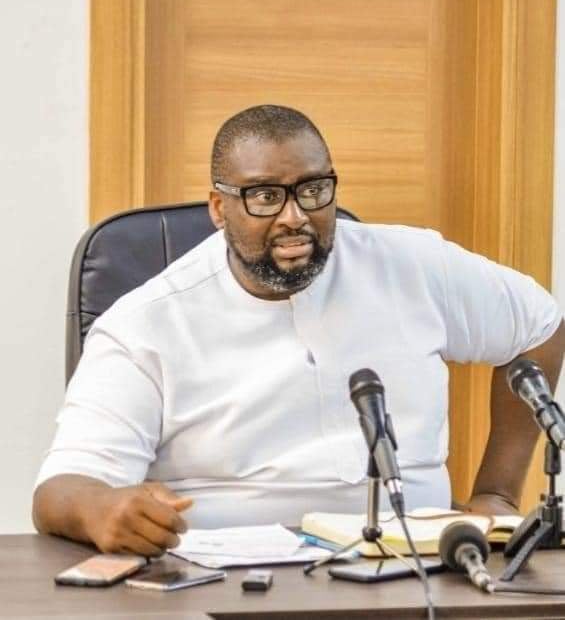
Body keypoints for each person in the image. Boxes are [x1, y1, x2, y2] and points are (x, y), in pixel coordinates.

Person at [33, 105, 565, 558]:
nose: (295, 216)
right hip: (227, 578)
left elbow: (539, 324)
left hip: (411, 566)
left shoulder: (411, 264)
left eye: (313, 190)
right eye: (265, 196)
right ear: (219, 208)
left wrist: (497, 493)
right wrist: (102, 508)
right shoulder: (146, 323)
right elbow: (59, 491)